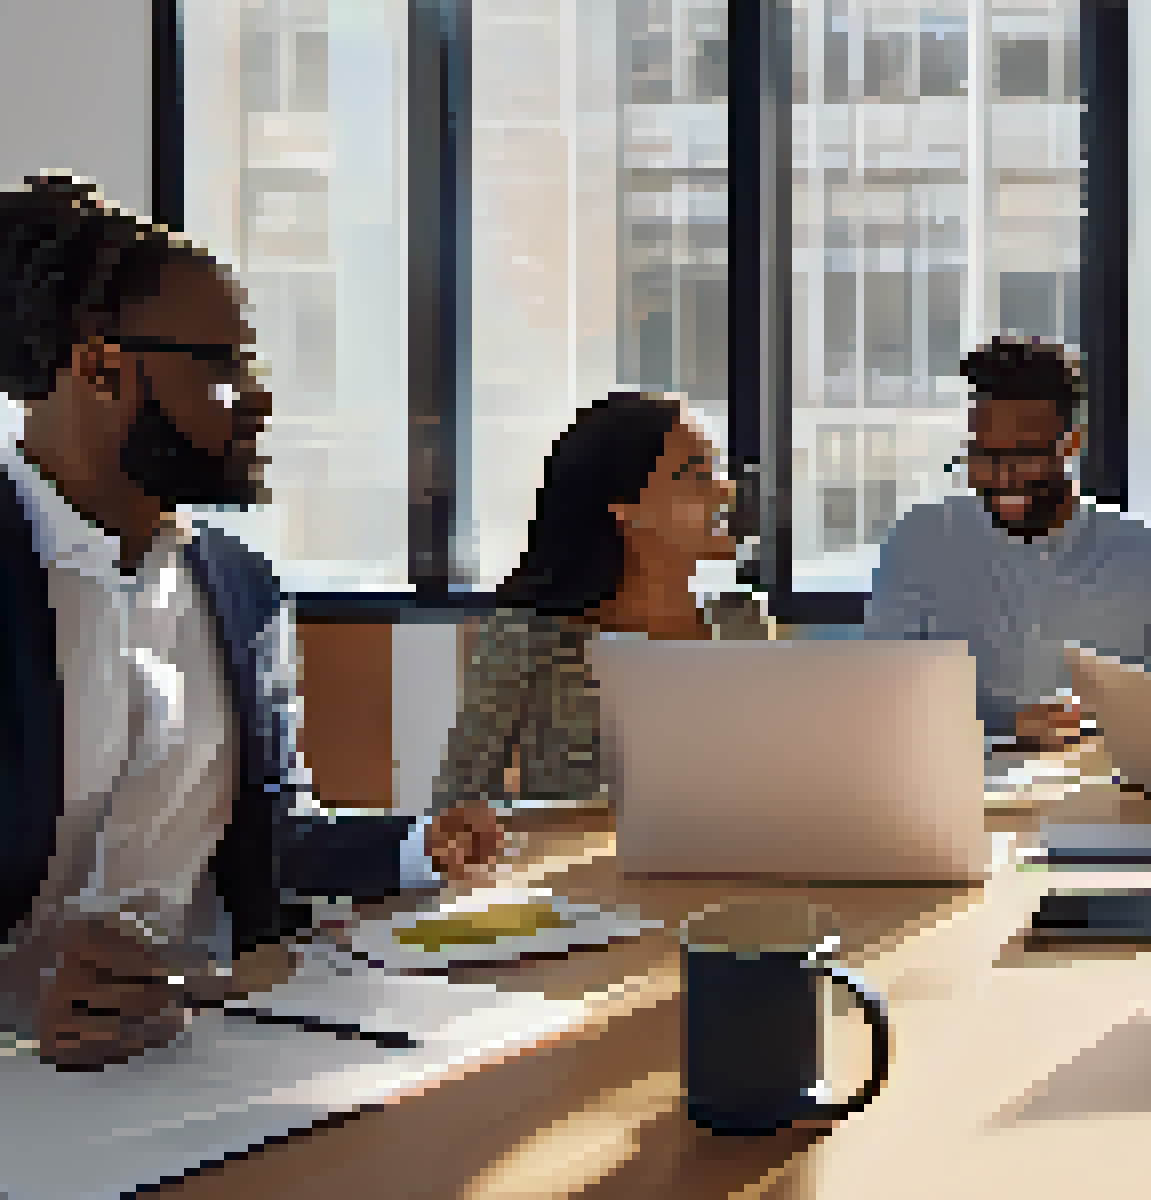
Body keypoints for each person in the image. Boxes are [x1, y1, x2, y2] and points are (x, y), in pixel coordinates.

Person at [0, 174, 506, 1069]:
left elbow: (278, 838)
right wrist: (23, 998)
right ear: (102, 367)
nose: (259, 398)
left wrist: (416, 845)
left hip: (210, 1052)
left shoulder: (240, 586)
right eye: (223, 366)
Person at [866, 337, 1151, 751]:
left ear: (1071, 445)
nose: (1003, 477)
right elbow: (884, 700)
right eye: (984, 456)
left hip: (1109, 799)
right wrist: (1005, 724)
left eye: (1025, 455)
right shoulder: (920, 540)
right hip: (956, 788)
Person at [434, 390, 770, 812]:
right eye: (694, 473)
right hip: (576, 874)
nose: (726, 491)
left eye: (717, 470)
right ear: (625, 507)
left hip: (727, 870)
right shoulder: (530, 636)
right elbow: (453, 809)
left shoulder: (744, 623)